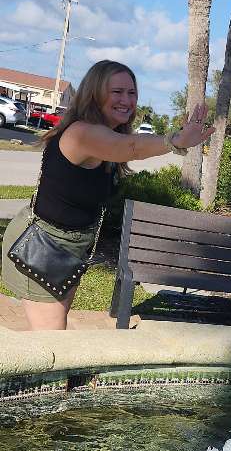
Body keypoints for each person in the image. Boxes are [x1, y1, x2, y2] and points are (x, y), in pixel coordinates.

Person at [1, 59, 213, 331]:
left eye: (131, 93)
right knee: (52, 342)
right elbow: (132, 147)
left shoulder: (106, 136)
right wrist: (174, 140)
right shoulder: (82, 133)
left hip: (70, 247)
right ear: (95, 93)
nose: (126, 100)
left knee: (52, 333)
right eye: (117, 92)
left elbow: (125, 146)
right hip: (43, 246)